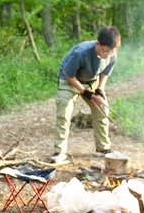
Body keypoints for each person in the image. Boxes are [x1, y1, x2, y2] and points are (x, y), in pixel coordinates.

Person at [49, 26, 121, 164]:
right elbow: (68, 74)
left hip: (91, 82)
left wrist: (100, 88)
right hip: (69, 80)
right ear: (98, 44)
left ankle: (103, 148)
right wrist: (83, 91)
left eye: (112, 52)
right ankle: (59, 152)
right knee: (64, 112)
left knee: (102, 109)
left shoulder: (112, 54)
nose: (109, 55)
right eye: (106, 52)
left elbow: (104, 73)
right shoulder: (81, 52)